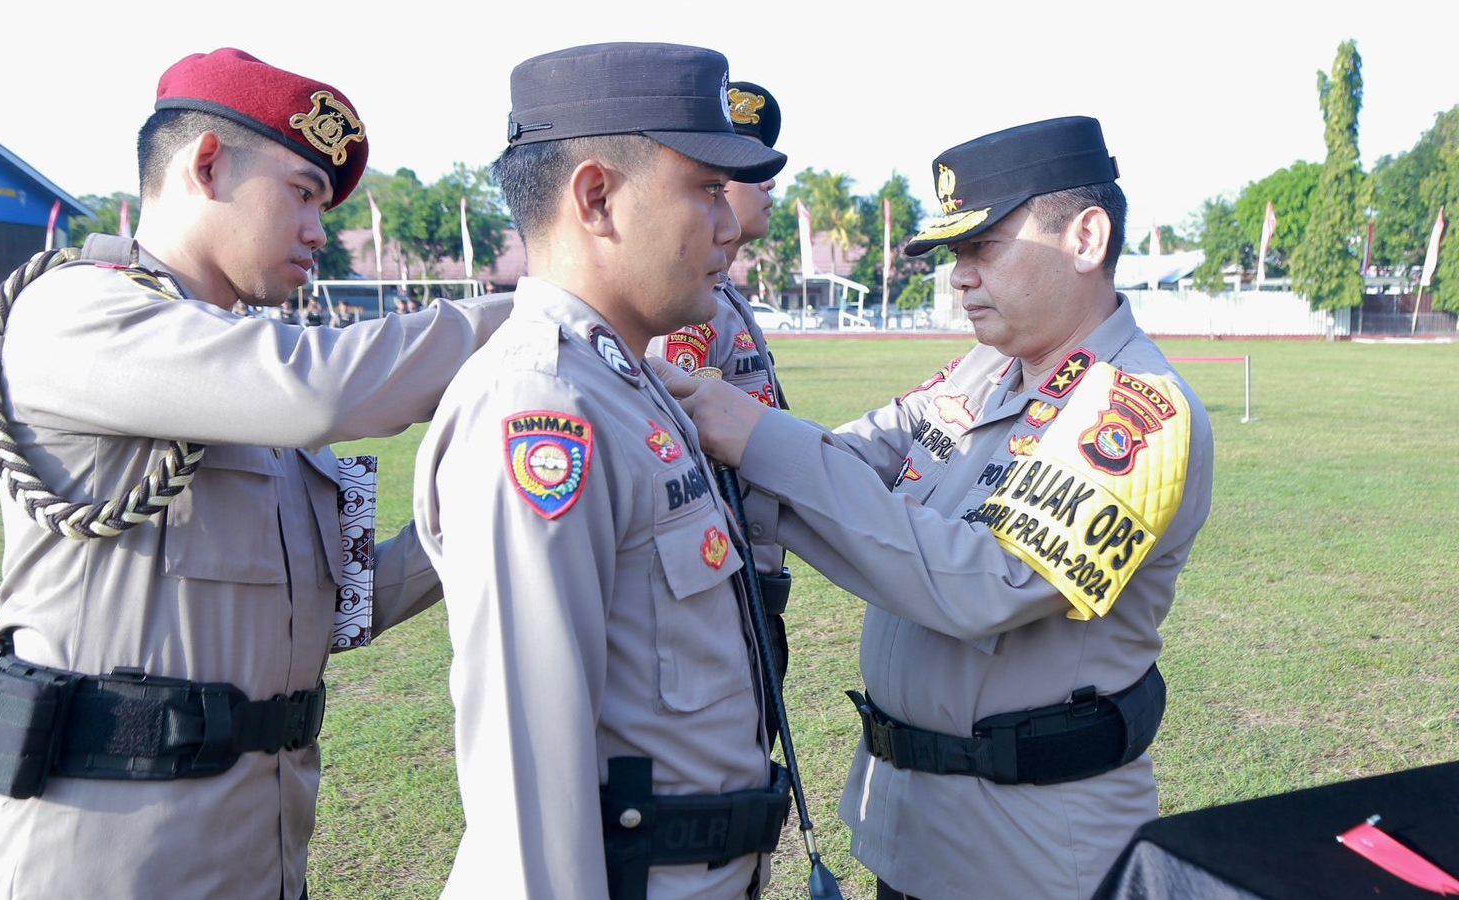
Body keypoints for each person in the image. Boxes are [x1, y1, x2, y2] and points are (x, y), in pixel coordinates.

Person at [0, 47, 509, 900]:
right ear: (207, 165)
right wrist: (554, 311)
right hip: (97, 859)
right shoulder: (78, 313)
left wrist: (492, 501)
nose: (320, 230)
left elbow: (345, 608)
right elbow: (325, 389)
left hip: (261, 846)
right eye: (303, 192)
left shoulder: (250, 379)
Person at [666, 116, 1215, 899]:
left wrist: (758, 438)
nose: (959, 275)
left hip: (1032, 856)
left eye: (984, 245)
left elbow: (979, 586)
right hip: (917, 831)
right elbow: (852, 458)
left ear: (1086, 238)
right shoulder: (989, 370)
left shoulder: (1136, 410)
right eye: (957, 252)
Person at [414, 42, 790, 899]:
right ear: (596, 198)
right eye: (704, 189)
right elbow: (529, 806)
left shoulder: (624, 379)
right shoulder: (542, 404)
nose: (729, 223)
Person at [647, 78, 794, 692]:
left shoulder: (723, 291)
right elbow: (691, 436)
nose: (767, 185)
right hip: (725, 577)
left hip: (751, 573)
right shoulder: (692, 302)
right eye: (745, 170)